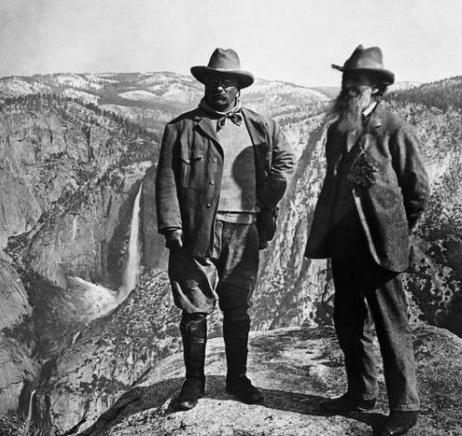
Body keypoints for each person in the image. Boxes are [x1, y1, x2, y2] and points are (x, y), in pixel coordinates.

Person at [155, 48, 295, 411]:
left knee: (238, 307)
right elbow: (166, 179)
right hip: (197, 231)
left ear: (238, 88)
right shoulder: (181, 128)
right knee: (194, 306)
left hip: (245, 230)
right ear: (205, 84)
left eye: (228, 82)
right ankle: (193, 383)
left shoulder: (261, 126)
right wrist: (172, 225)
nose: (220, 88)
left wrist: (266, 197)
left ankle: (238, 379)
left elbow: (285, 161)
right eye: (214, 81)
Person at [305, 45, 429, 436]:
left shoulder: (394, 128)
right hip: (344, 242)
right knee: (347, 319)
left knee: (391, 324)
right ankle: (361, 392)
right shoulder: (337, 129)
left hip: (381, 244)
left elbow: (418, 189)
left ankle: (405, 407)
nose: (348, 87)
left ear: (376, 87)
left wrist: (397, 229)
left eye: (356, 81)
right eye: (346, 79)